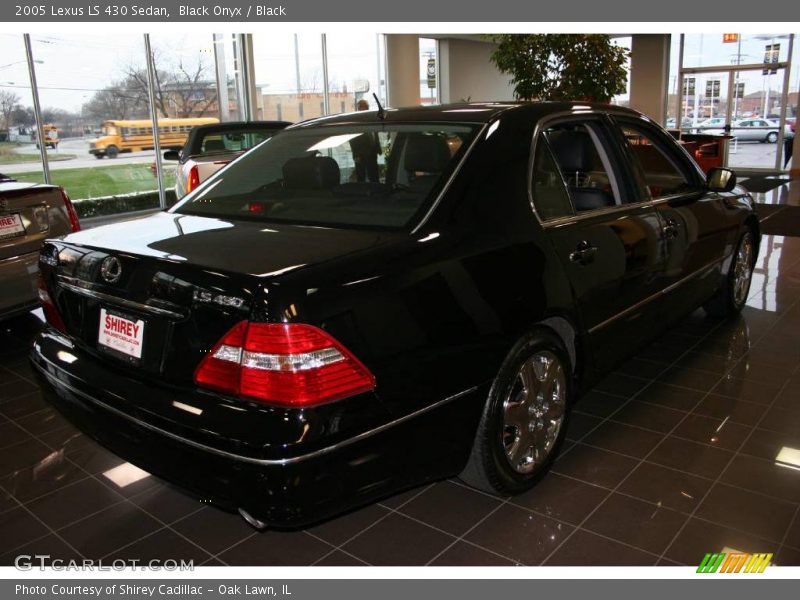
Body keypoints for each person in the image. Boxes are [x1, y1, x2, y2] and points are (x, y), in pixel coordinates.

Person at [350, 99, 380, 182]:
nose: (367, 108)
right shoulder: (355, 121)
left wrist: (377, 148)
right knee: (361, 177)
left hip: (372, 152)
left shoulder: (371, 119)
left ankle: (375, 189)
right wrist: (356, 155)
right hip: (360, 154)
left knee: (374, 176)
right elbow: (352, 139)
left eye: (367, 107)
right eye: (364, 107)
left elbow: (375, 134)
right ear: (359, 108)